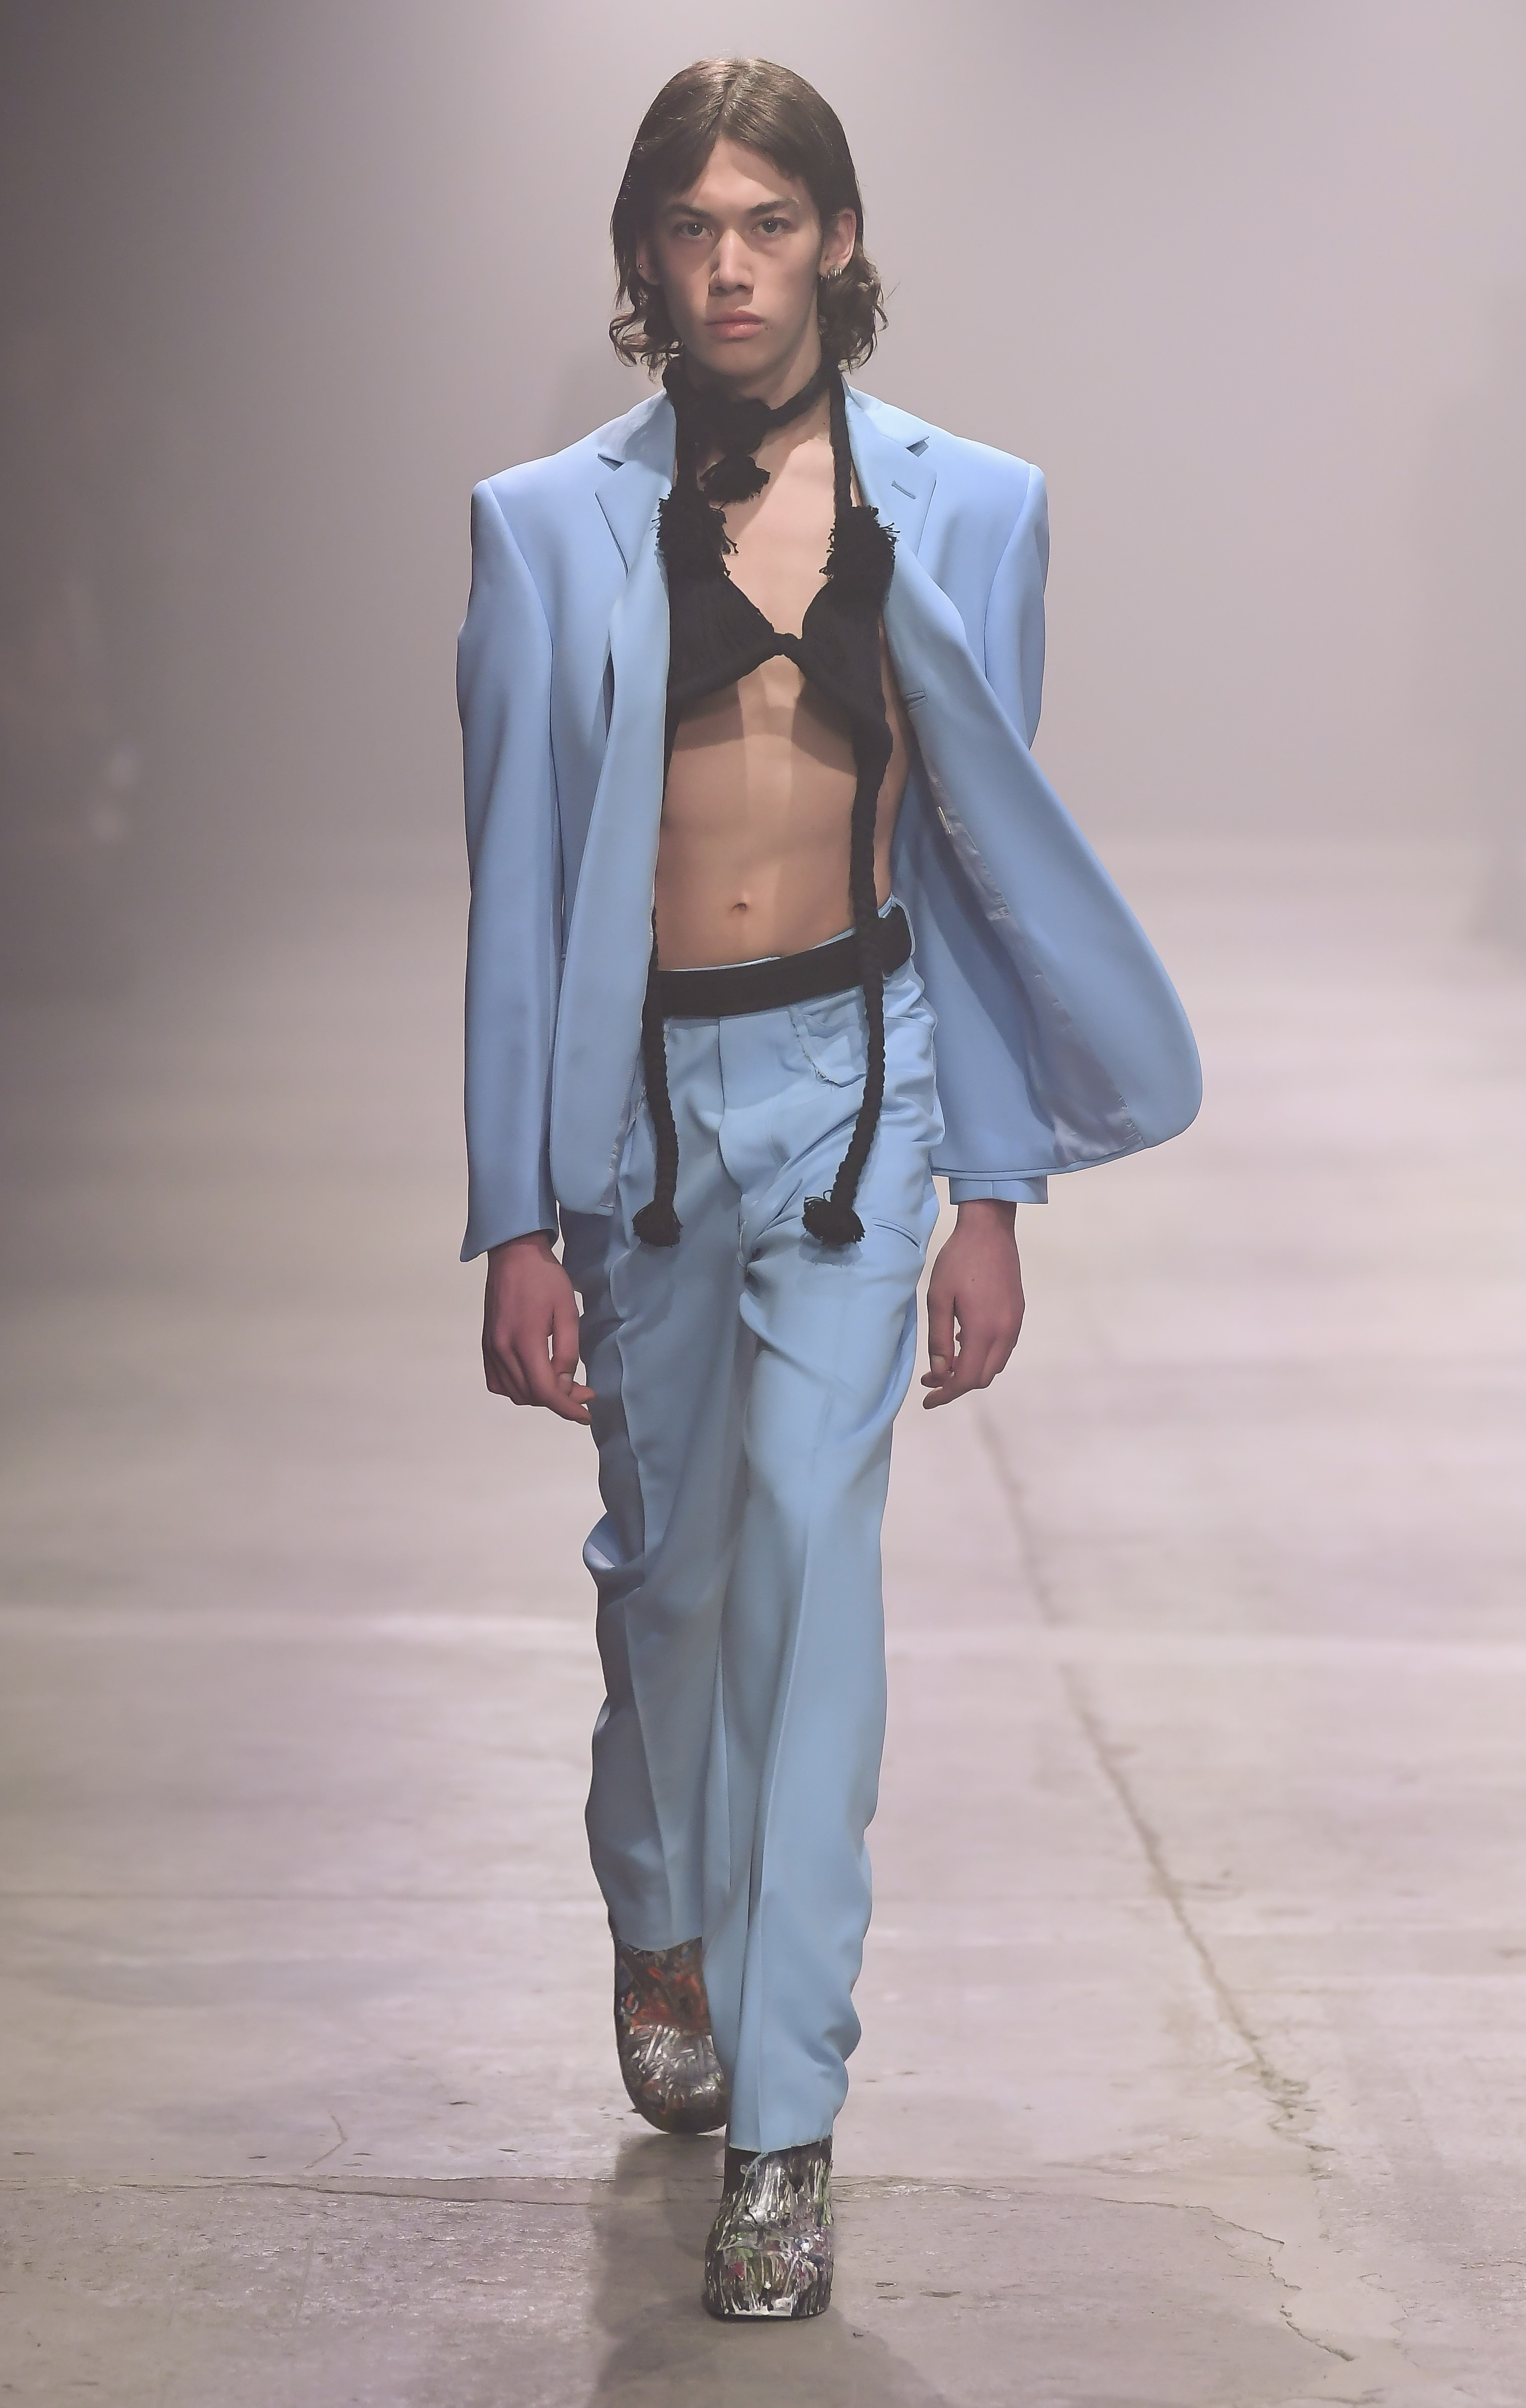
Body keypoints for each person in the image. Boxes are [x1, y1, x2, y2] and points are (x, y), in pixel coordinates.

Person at [459, 57, 1201, 2321]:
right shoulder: (539, 527)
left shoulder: (976, 508)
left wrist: (996, 1185)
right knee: (672, 1581)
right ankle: (656, 1902)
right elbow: (515, 891)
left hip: (860, 1090)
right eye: (691, 227)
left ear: (839, 242)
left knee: (811, 1582)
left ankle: (784, 2124)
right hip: (639, 1114)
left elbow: (976, 865)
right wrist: (513, 1212)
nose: (731, 266)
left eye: (769, 221)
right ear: (643, 259)